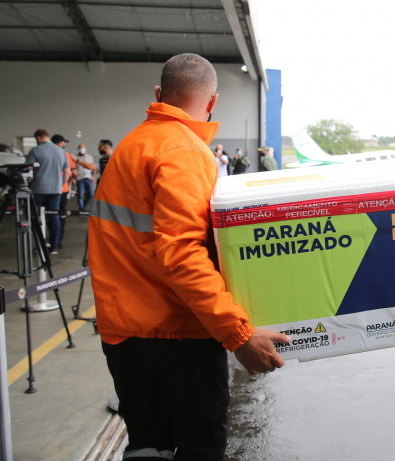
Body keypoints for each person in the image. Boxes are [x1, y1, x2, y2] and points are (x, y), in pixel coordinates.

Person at [88, 53, 289, 459]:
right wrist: (238, 333)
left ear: (158, 94)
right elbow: (182, 253)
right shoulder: (184, 150)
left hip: (123, 333)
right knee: (201, 446)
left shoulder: (130, 146)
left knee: (147, 445)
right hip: (178, 337)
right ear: (212, 102)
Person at [25, 129, 70, 253]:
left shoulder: (35, 150)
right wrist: (60, 185)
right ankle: (54, 246)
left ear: (39, 138)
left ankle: (42, 243)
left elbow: (27, 168)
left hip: (39, 189)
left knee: (37, 218)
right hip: (56, 190)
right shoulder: (61, 151)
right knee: (54, 217)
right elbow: (67, 172)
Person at [51, 134, 76, 251]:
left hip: (47, 190)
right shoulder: (65, 155)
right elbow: (72, 172)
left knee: (45, 216)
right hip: (62, 190)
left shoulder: (44, 153)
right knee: (60, 216)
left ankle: (47, 241)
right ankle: (57, 242)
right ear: (60, 143)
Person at [74, 143, 97, 210]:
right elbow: (73, 168)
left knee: (91, 194)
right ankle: (82, 210)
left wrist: (93, 176)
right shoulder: (76, 158)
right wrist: (73, 178)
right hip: (80, 178)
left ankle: (83, 206)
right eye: (80, 148)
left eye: (83, 148)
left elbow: (93, 167)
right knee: (80, 195)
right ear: (78, 149)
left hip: (88, 178)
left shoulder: (89, 157)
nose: (82, 149)